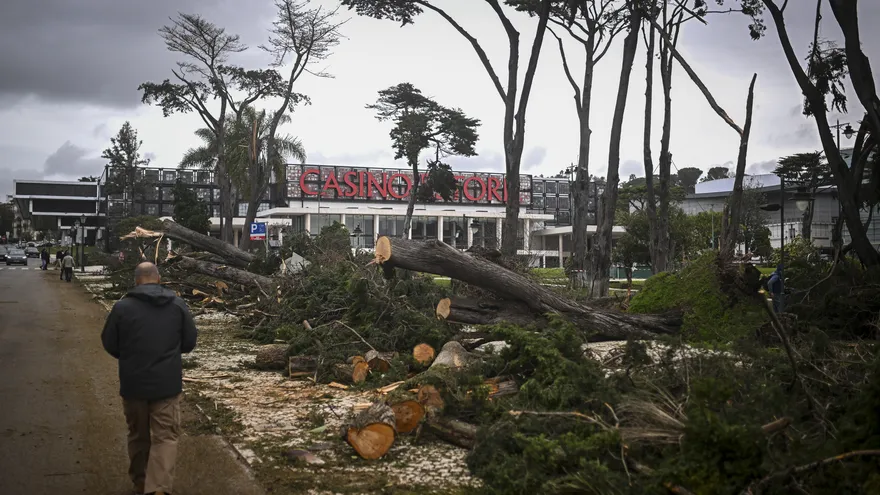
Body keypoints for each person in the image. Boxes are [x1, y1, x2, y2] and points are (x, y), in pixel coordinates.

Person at [101, 262, 198, 495]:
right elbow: (189, 341)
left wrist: (129, 357)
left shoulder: (122, 308)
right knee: (165, 437)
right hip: (166, 384)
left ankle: (141, 482)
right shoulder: (177, 305)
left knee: (138, 435)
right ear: (159, 278)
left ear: (136, 281)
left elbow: (109, 343)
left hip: (133, 383)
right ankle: (159, 488)